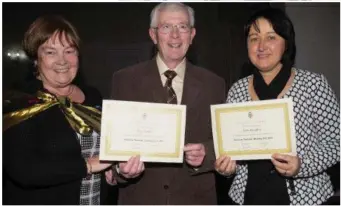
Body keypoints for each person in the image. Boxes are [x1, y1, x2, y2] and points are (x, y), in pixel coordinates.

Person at [214, 8, 340, 205]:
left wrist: (302, 165)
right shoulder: (237, 90)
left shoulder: (313, 85)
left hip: (305, 198)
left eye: (271, 37)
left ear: (286, 43)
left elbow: (336, 143)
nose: (261, 46)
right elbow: (234, 150)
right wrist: (228, 168)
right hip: (247, 197)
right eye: (254, 38)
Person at [105, 2, 226, 205]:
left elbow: (225, 144)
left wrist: (206, 152)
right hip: (140, 198)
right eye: (166, 27)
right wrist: (120, 170)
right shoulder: (124, 80)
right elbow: (114, 147)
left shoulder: (214, 83)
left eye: (182, 27)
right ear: (153, 35)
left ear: (192, 34)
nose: (175, 35)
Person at [3, 15, 113, 205]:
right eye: (51, 52)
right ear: (36, 59)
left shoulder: (94, 96)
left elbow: (107, 149)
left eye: (69, 51)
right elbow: (23, 170)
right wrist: (88, 165)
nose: (62, 61)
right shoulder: (19, 103)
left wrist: (115, 170)